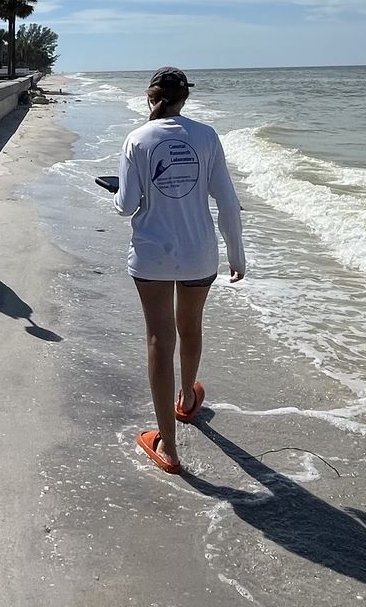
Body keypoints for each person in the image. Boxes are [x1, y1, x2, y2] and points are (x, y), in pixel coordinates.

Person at [114, 66, 245, 475]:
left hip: (152, 254)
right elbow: (227, 201)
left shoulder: (137, 139)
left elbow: (125, 205)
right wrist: (236, 255)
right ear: (184, 98)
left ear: (150, 98)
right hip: (199, 253)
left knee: (158, 337)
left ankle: (168, 446)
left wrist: (116, 192)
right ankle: (187, 398)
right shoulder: (206, 136)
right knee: (190, 326)